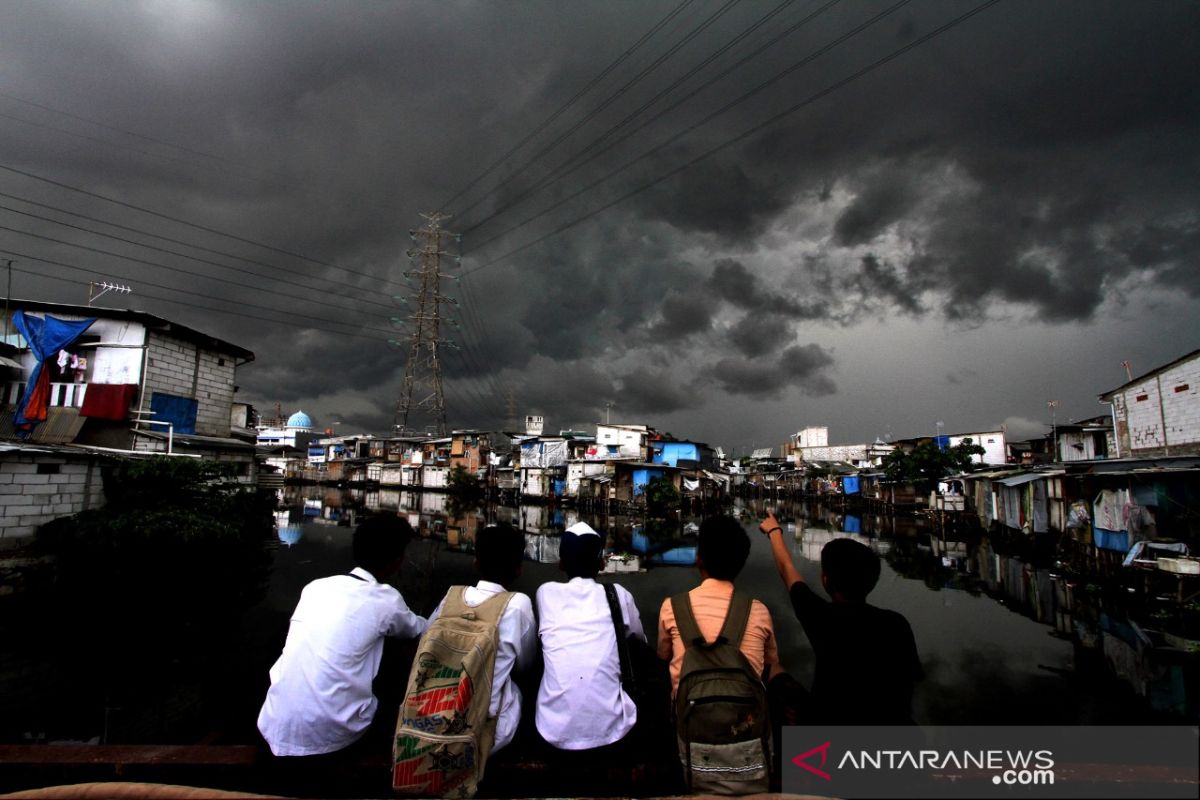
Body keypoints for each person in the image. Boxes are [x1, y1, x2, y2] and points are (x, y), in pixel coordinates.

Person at [257, 514, 429, 758]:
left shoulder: (315, 587)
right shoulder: (386, 599)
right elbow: (420, 630)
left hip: (272, 724)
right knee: (400, 645)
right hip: (331, 738)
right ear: (397, 561)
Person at [760, 511, 922, 724]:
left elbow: (786, 568)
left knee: (771, 667)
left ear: (825, 579)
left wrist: (774, 530)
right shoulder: (898, 623)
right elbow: (911, 682)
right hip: (893, 736)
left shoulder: (824, 617)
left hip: (830, 733)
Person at [423, 522, 537, 755]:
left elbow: (425, 637)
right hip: (480, 732)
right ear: (519, 569)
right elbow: (526, 664)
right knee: (514, 690)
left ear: (476, 563)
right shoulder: (518, 605)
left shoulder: (452, 596)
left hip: (432, 718)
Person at [534, 521, 646, 755]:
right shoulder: (619, 595)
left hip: (552, 728)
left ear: (561, 563)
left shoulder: (545, 593)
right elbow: (640, 641)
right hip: (614, 727)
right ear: (601, 563)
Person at [656, 514, 782, 693]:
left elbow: (663, 658)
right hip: (747, 717)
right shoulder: (759, 612)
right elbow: (770, 665)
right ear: (740, 564)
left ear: (699, 560)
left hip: (688, 715)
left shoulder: (672, 608)